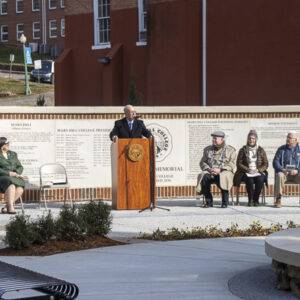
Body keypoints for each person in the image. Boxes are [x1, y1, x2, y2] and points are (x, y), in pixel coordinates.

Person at [196, 131, 236, 208]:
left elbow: (232, 164)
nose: (213, 140)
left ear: (222, 139)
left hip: (223, 172)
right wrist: (209, 169)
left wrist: (220, 170)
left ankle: (225, 202)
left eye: (215, 138)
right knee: (203, 177)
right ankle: (209, 202)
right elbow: (202, 162)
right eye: (213, 138)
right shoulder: (207, 150)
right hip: (211, 172)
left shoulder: (230, 150)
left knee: (224, 177)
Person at [233, 130, 268, 206]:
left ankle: (256, 199)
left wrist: (258, 170)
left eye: (253, 138)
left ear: (256, 139)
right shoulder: (243, 150)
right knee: (249, 180)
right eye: (250, 138)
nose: (251, 140)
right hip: (246, 172)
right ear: (247, 139)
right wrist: (248, 170)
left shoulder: (261, 150)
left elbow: (265, 163)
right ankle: (250, 199)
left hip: (258, 171)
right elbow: (239, 163)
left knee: (260, 179)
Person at [273, 131, 300, 208]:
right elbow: (275, 162)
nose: (288, 139)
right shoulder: (281, 149)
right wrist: (282, 169)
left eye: (290, 138)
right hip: (284, 173)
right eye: (287, 137)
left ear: (296, 140)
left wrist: (297, 170)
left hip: (296, 175)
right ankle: (278, 199)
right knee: (279, 175)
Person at [0, 137, 25, 214]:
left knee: (20, 188)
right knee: (11, 185)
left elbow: (20, 166)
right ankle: (11, 207)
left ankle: (6, 206)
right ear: (2, 145)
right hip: (2, 177)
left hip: (14, 177)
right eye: (7, 144)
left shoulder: (13, 154)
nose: (8, 145)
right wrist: (8, 173)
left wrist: (17, 173)